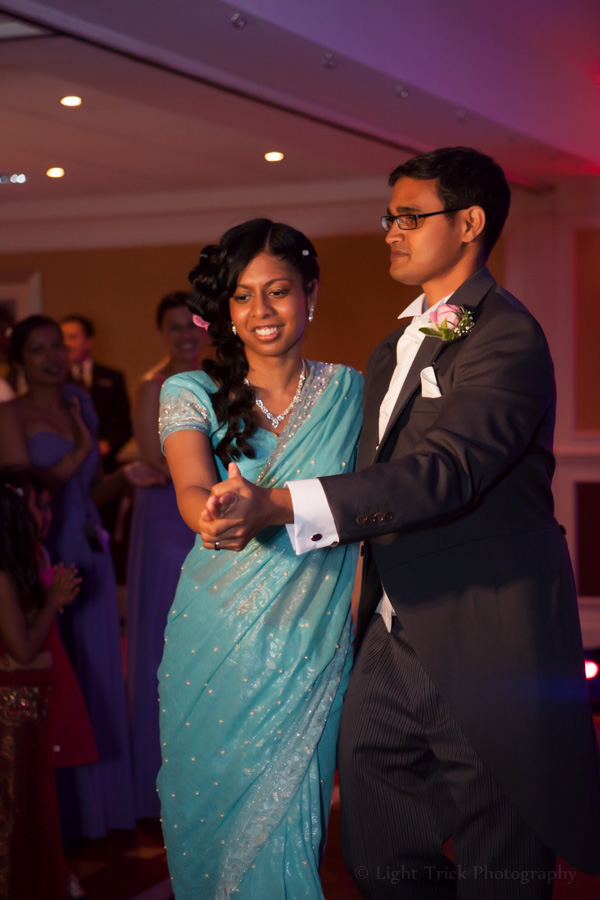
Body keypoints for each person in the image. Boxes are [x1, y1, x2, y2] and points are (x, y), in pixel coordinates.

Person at [199, 148, 600, 898]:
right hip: (389, 634)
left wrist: (283, 504)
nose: (390, 232)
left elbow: (443, 472)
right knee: (376, 847)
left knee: (501, 861)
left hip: (487, 633)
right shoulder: (395, 346)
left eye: (409, 217)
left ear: (470, 223)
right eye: (390, 218)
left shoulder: (507, 337)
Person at [156, 218, 363, 899]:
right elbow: (191, 486)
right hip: (215, 634)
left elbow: (376, 501)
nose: (260, 312)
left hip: (310, 641)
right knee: (207, 817)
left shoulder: (354, 396)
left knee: (292, 825)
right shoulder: (189, 391)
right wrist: (212, 517)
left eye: (277, 291)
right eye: (243, 296)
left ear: (310, 294)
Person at [0, 314, 163, 842]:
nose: (52, 358)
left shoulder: (81, 402)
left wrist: (122, 476)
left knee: (95, 678)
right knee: (53, 685)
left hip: (88, 551)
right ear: (20, 361)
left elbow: (85, 492)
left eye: (57, 348)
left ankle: (101, 811)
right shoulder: (10, 414)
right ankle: (58, 821)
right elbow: (34, 493)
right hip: (42, 557)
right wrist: (79, 445)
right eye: (39, 350)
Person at [126, 291, 205, 818]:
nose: (185, 336)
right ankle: (163, 780)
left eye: (193, 325)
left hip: (207, 511)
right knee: (166, 635)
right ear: (162, 332)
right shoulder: (153, 385)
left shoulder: (222, 377)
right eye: (174, 327)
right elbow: (156, 459)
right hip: (164, 520)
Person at [0, 478, 81, 900]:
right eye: (37, 507)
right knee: (15, 811)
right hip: (12, 713)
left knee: (33, 809)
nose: (45, 516)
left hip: (31, 707)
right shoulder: (1, 576)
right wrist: (52, 601)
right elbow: (24, 648)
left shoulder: (24, 563)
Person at [60, 314, 132, 470]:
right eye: (62, 338)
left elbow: (126, 424)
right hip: (69, 464)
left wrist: (107, 445)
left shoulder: (112, 377)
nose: (66, 344)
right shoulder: (57, 380)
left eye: (72, 337)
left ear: (89, 341)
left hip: (105, 464)